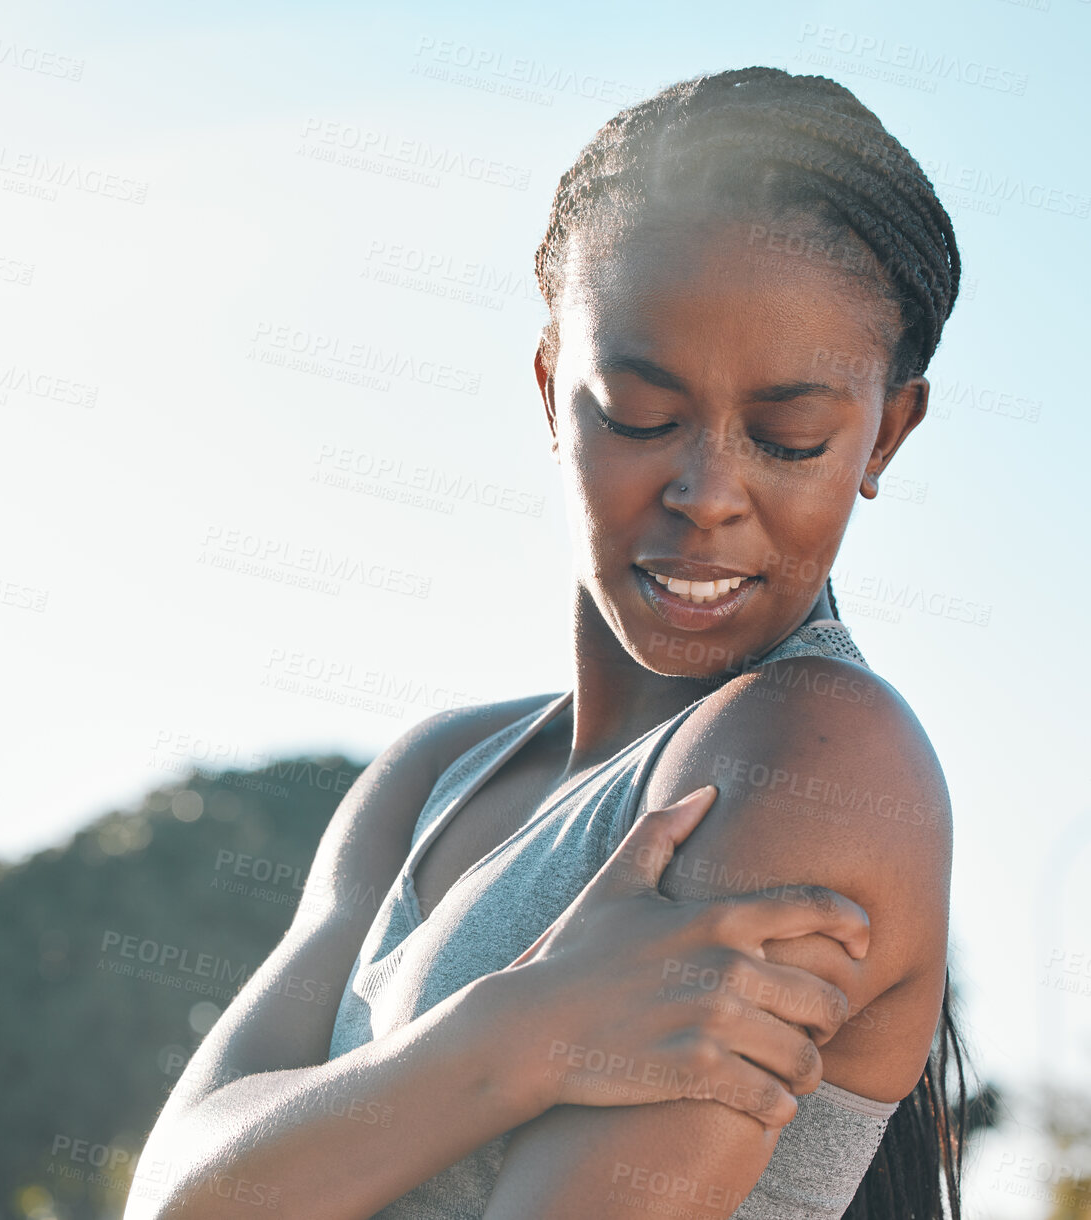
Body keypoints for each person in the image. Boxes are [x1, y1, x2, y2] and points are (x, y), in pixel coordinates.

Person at [126, 66, 971, 1220]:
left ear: (884, 437)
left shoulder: (819, 757)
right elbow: (171, 1195)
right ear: (546, 383)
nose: (705, 491)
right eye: (638, 412)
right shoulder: (432, 774)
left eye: (788, 435)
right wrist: (517, 1033)